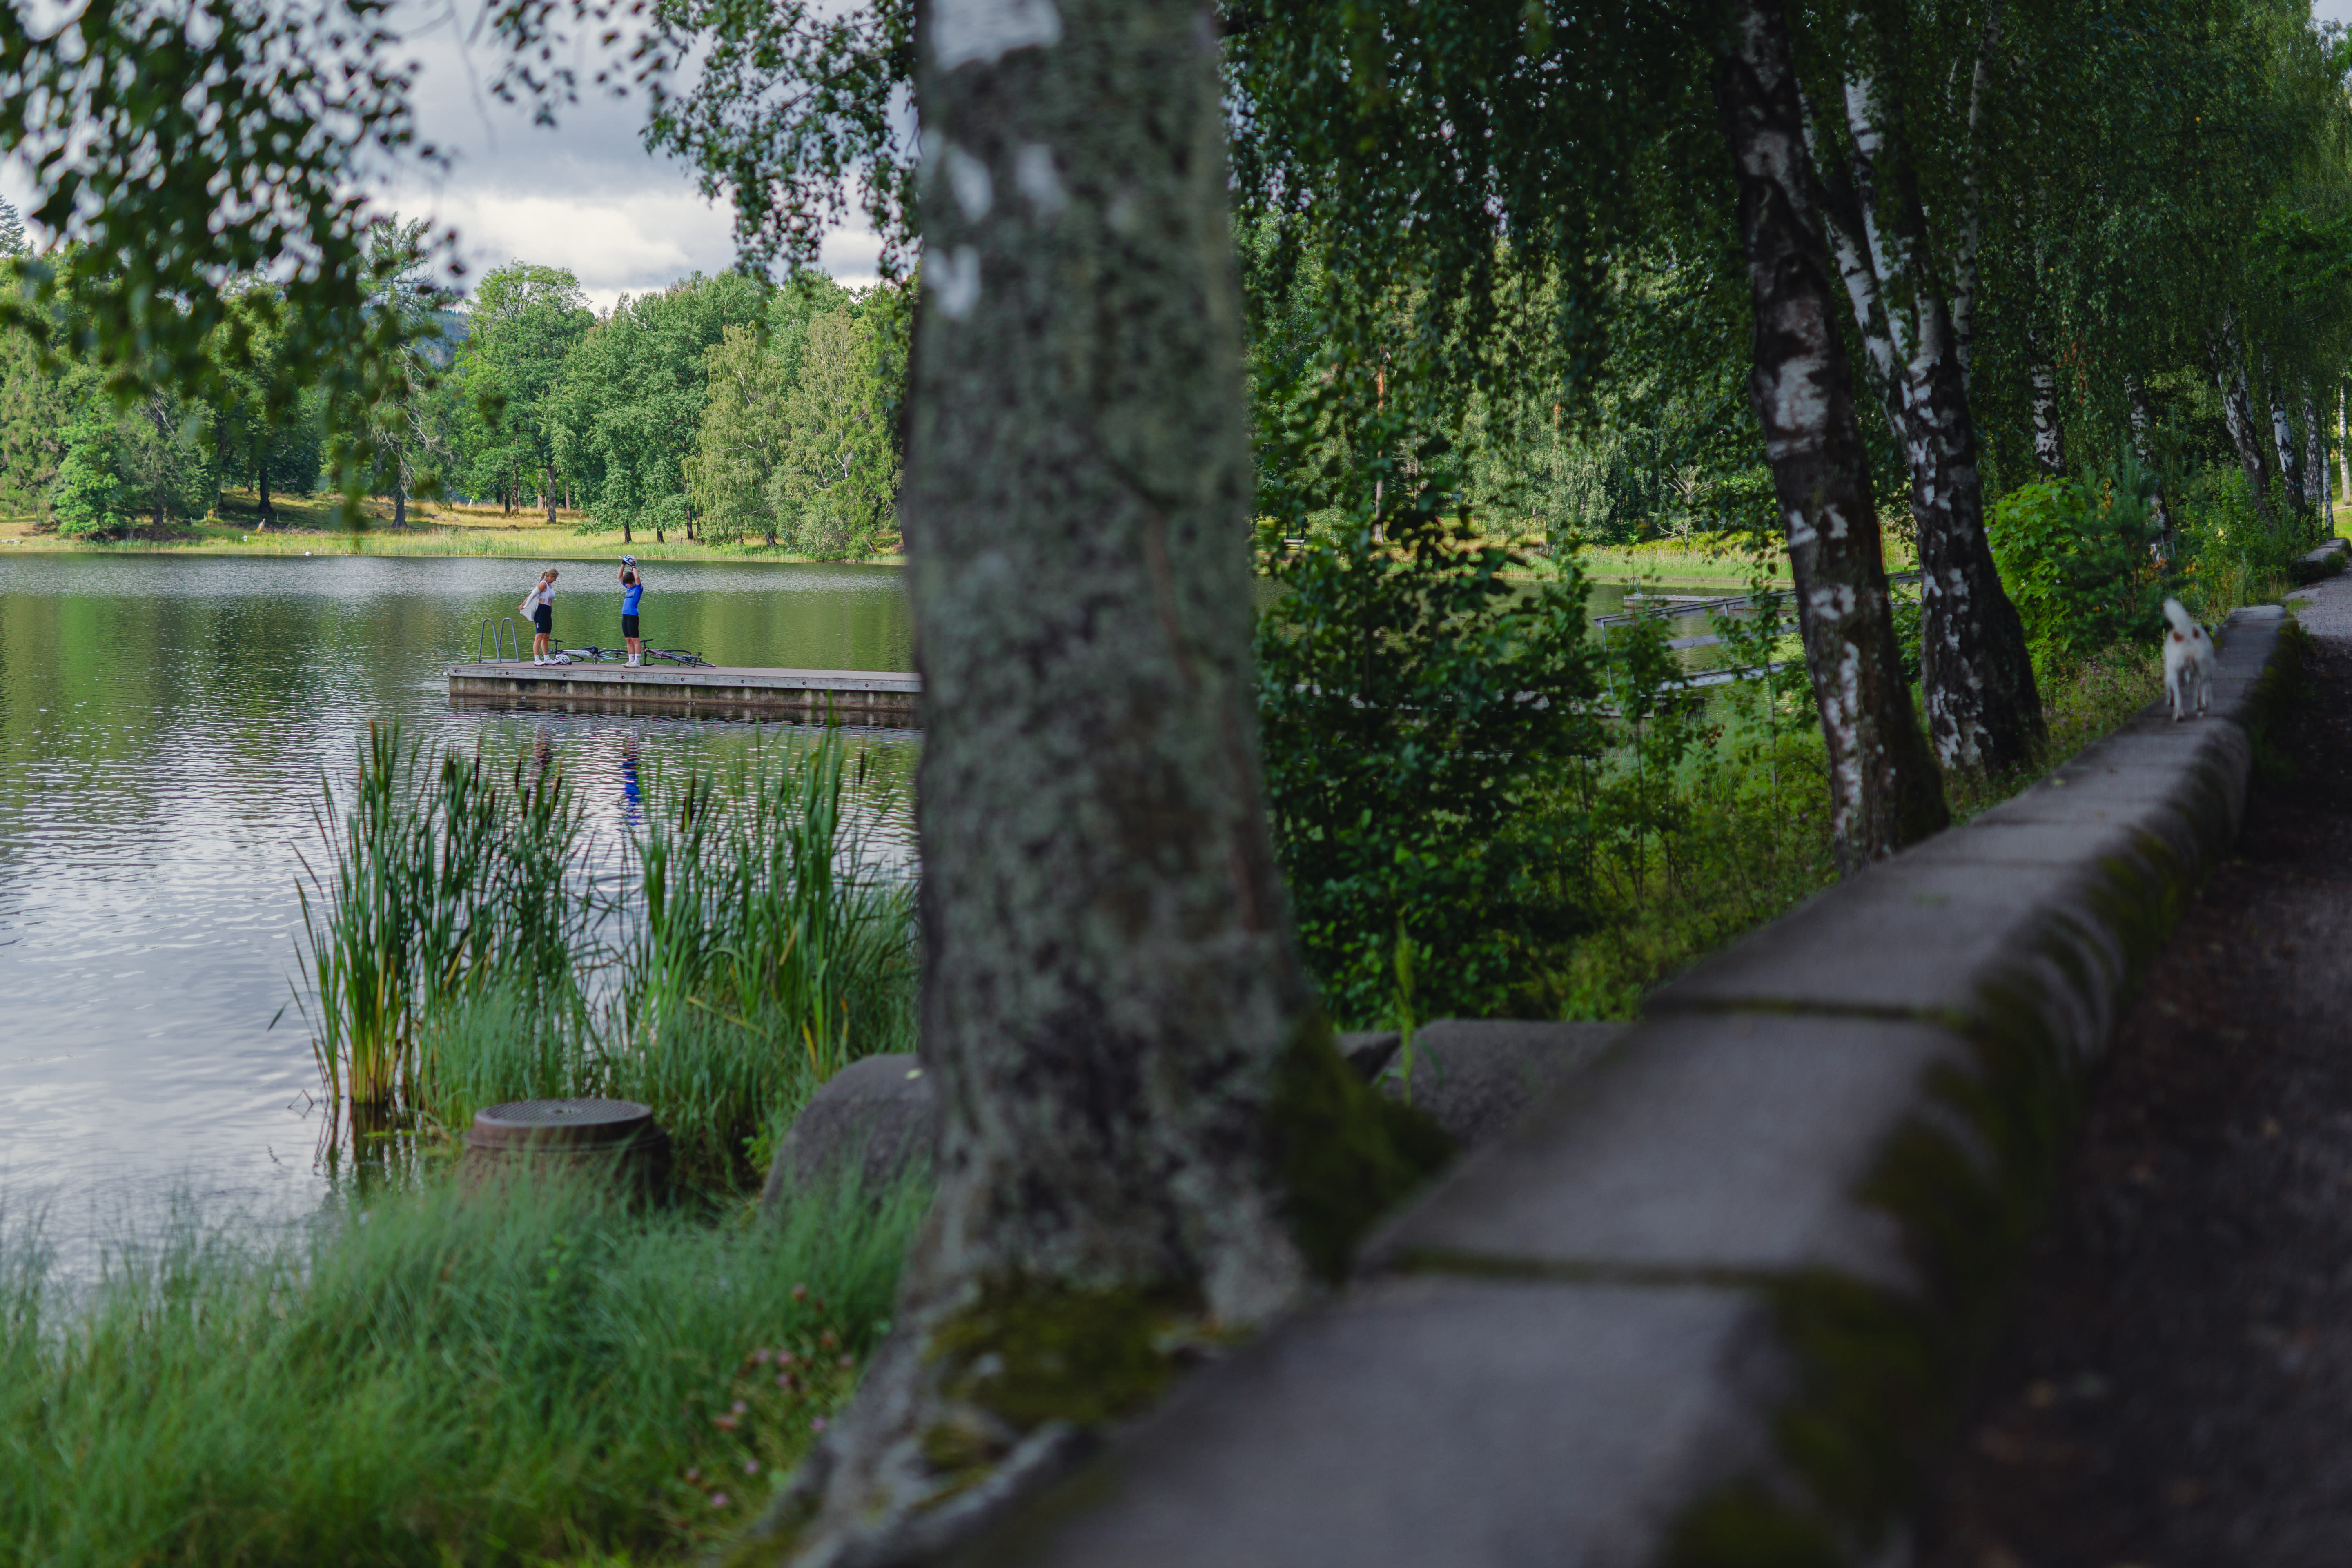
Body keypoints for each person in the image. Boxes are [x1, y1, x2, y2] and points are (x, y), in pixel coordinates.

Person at [520, 568, 559, 663]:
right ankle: (537, 659)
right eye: (555, 578)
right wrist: (524, 606)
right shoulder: (543, 584)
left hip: (548, 612)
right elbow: (532, 595)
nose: (556, 580)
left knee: (546, 637)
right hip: (541, 612)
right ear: (551, 576)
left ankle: (547, 659)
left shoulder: (549, 586)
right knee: (539, 637)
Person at [619, 557, 646, 665]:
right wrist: (623, 564)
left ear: (632, 582)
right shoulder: (629, 588)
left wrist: (634, 567)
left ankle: (637, 662)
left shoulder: (638, 589)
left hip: (633, 617)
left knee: (635, 640)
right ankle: (631, 661)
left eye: (628, 583)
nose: (626, 585)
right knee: (628, 640)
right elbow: (619, 577)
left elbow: (638, 578)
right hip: (625, 616)